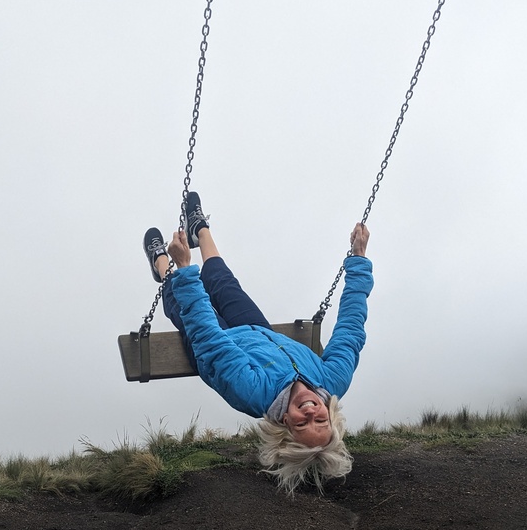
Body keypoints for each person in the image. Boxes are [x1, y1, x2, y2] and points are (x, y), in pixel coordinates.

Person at [142, 192, 373, 493]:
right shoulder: (332, 381)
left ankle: (161, 263)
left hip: (212, 342)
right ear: (331, 419)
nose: (311, 414)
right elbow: (351, 331)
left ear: (284, 425)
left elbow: (210, 339)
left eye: (303, 425)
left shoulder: (253, 392)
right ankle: (200, 227)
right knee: (222, 279)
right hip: (256, 330)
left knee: (178, 294)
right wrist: (359, 260)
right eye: (321, 422)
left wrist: (184, 269)